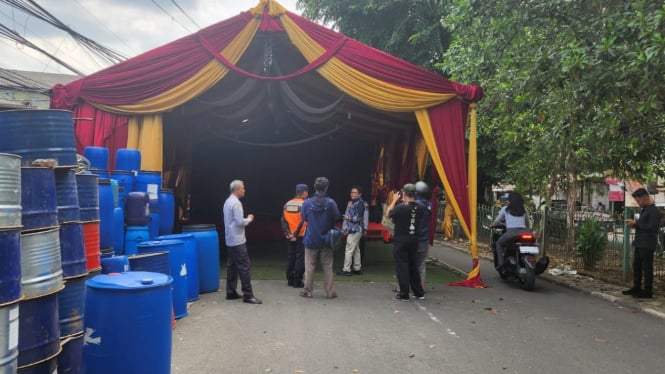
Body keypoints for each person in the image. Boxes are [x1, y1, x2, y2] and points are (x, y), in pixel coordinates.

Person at [300, 177, 341, 299]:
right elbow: (337, 216)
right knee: (327, 266)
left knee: (309, 266)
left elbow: (304, 218)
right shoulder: (331, 202)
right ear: (326, 187)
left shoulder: (307, 202)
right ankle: (329, 292)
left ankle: (308, 291)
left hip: (311, 238)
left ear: (314, 186)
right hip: (326, 239)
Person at [223, 180, 262, 304]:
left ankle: (231, 291)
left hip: (230, 239)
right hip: (238, 240)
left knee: (232, 266)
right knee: (244, 267)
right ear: (238, 189)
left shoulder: (227, 201)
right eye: (243, 188)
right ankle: (248, 295)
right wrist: (249, 219)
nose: (244, 190)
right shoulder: (236, 203)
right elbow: (240, 222)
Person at [386, 183, 425, 301]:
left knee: (402, 266)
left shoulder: (401, 207)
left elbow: (388, 214)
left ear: (404, 194)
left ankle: (404, 294)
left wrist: (394, 200)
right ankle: (418, 292)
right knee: (414, 266)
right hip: (414, 239)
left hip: (401, 240)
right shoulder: (421, 207)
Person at [622, 188, 661, 299]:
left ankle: (647, 290)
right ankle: (636, 287)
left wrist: (636, 224)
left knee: (647, 268)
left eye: (639, 201)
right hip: (639, 242)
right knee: (637, 266)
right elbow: (643, 225)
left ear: (646, 198)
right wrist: (635, 224)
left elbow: (652, 228)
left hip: (647, 243)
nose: (638, 204)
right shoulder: (644, 210)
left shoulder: (654, 212)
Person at [491, 191, 530, 272]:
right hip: (525, 232)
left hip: (511, 233)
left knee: (498, 243)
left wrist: (492, 225)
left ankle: (501, 265)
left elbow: (498, 220)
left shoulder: (505, 209)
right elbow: (527, 223)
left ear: (510, 200)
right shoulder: (523, 210)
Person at [280, 183, 309, 288]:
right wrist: (296, 234)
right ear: (304, 192)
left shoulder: (287, 204)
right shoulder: (305, 204)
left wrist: (288, 234)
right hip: (300, 235)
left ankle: (290, 279)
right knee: (300, 258)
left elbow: (283, 220)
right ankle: (297, 281)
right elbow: (303, 221)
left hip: (290, 236)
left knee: (291, 257)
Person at [338, 185, 366, 276]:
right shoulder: (353, 203)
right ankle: (357, 268)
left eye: (355, 192)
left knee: (349, 249)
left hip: (356, 229)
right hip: (354, 229)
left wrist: (348, 218)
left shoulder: (360, 204)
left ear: (360, 194)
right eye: (352, 192)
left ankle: (346, 269)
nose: (352, 194)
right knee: (356, 249)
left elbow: (358, 218)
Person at [414, 181, 432, 289]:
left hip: (414, 237)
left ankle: (403, 286)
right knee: (421, 264)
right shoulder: (429, 204)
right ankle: (421, 286)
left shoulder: (415, 204)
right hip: (424, 237)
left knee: (409, 262)